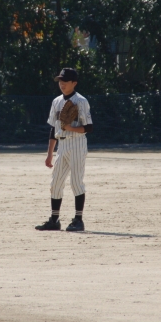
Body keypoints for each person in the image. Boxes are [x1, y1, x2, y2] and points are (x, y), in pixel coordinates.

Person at [36, 68, 93, 232]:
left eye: (65, 81)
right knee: (55, 183)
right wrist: (49, 154)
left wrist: (70, 128)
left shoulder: (81, 101)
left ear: (74, 83)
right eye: (60, 80)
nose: (62, 83)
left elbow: (89, 127)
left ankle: (78, 220)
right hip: (62, 146)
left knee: (76, 182)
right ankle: (54, 220)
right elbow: (53, 129)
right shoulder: (56, 101)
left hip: (77, 144)